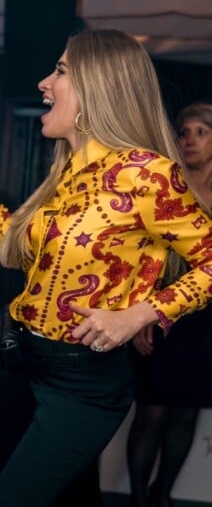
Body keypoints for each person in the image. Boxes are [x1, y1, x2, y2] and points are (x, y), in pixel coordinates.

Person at [0, 29, 212, 507]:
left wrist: (140, 314)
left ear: (98, 85)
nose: (42, 82)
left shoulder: (148, 173)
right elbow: (20, 248)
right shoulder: (70, 169)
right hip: (36, 366)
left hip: (85, 383)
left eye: (59, 70)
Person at [126, 102, 212, 507]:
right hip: (161, 311)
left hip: (207, 320)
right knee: (151, 414)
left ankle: (162, 497)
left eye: (202, 131)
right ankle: (139, 501)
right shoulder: (168, 185)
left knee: (186, 415)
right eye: (184, 131)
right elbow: (145, 253)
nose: (190, 139)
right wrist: (140, 315)